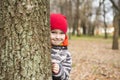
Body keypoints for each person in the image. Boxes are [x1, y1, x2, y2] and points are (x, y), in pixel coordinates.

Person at [50, 13, 72, 80]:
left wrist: (59, 70)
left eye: (62, 33)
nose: (58, 37)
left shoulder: (66, 54)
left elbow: (66, 76)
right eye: (53, 32)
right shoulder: (41, 48)